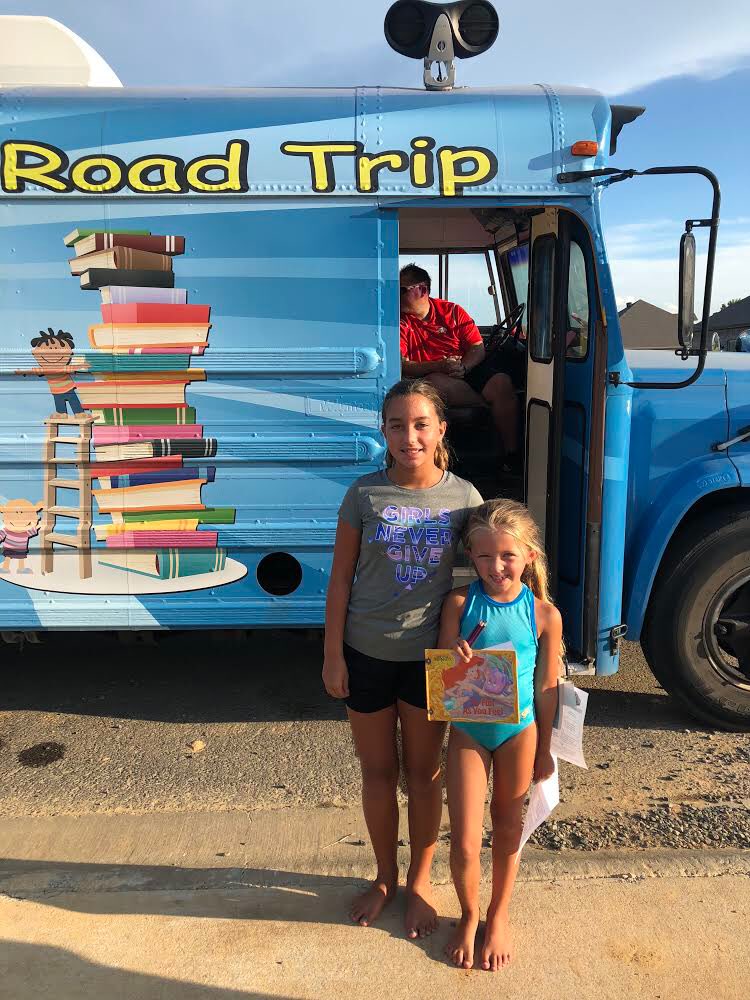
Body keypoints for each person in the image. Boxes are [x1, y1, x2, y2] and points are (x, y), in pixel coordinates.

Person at [322, 378, 483, 939]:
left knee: (424, 774)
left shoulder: (465, 498)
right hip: (365, 654)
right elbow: (339, 581)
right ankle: (384, 876)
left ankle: (419, 880)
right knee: (377, 772)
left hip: (431, 661)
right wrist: (332, 656)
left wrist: (539, 627)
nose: (409, 436)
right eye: (396, 425)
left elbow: (495, 571)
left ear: (440, 429)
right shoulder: (363, 495)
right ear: (383, 432)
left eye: (420, 424)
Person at [437, 498, 562, 971]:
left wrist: (546, 750)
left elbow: (547, 687)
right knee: (466, 840)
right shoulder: (460, 604)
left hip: (519, 731)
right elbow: (441, 673)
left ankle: (499, 911)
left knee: (508, 828)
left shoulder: (544, 615)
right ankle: (470, 914)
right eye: (484, 556)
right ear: (471, 557)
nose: (496, 566)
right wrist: (456, 654)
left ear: (529, 555)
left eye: (507, 555)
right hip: (469, 731)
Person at [399, 263, 521, 471]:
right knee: (436, 382)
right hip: (428, 375)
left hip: (463, 370)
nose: (395, 295)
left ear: (423, 290)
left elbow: (476, 347)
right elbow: (403, 365)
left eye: (401, 290)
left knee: (501, 383)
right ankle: (487, 410)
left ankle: (512, 459)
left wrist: (463, 368)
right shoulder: (399, 322)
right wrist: (440, 365)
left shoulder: (452, 311)